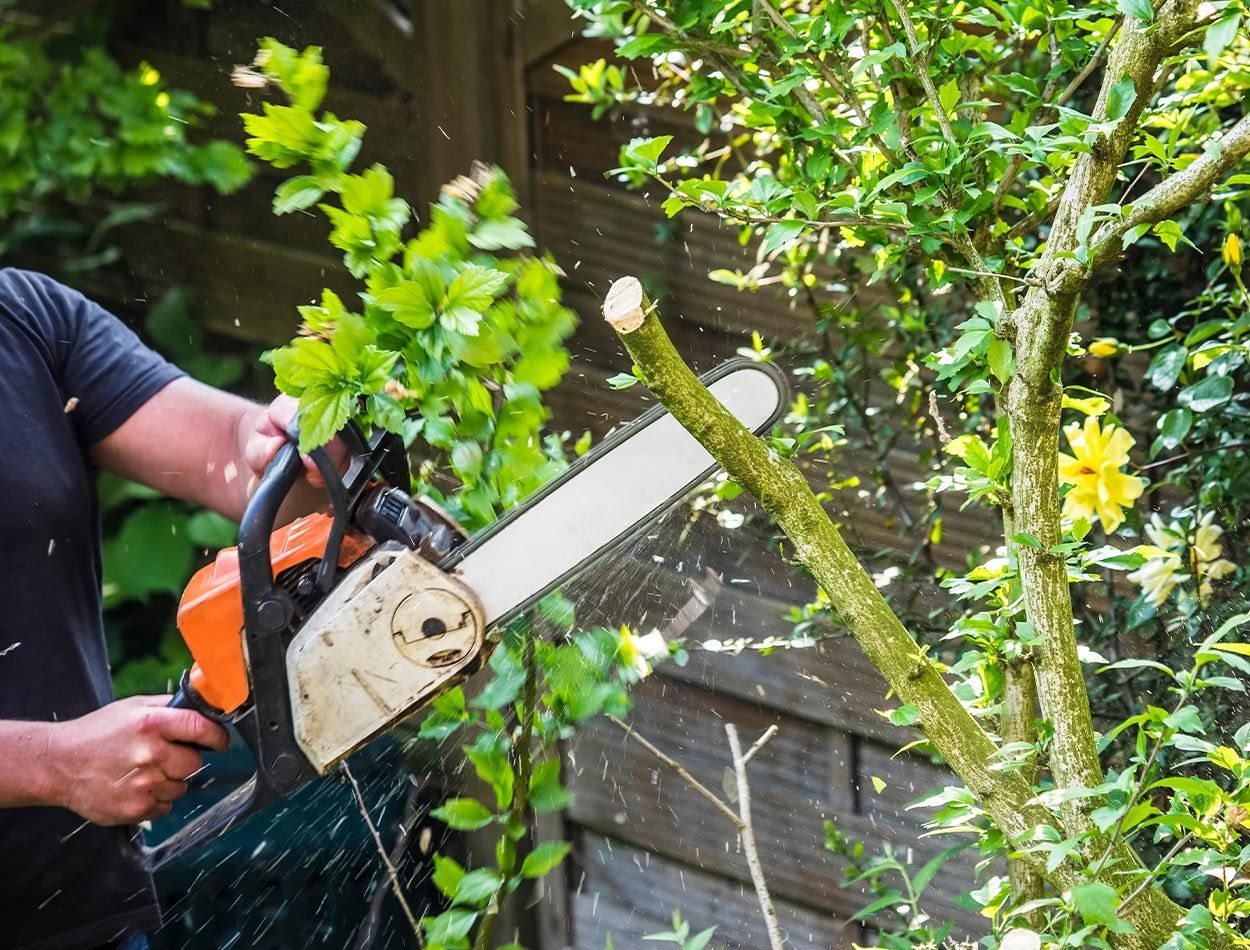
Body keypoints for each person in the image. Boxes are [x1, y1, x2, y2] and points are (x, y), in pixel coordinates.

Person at [0, 268, 334, 950]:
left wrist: (291, 449)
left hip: (83, 919)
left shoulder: (23, 319)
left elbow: (231, 459)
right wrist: (49, 764)